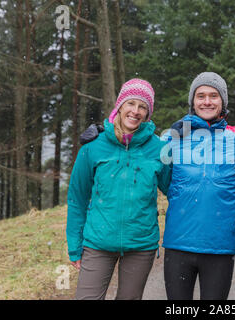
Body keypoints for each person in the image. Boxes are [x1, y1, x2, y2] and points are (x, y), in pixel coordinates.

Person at [66, 78, 172, 300]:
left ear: (148, 113)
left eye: (142, 106)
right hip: (97, 243)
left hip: (141, 245)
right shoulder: (93, 147)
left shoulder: (159, 150)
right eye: (131, 103)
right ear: (120, 106)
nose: (135, 111)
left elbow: (176, 191)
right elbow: (77, 198)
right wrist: (75, 246)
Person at [161, 72, 235, 300]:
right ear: (192, 101)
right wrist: (108, 133)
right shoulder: (173, 137)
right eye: (201, 96)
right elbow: (141, 156)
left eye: (214, 95)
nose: (207, 101)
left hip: (219, 245)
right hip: (178, 242)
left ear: (223, 102)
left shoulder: (234, 141)